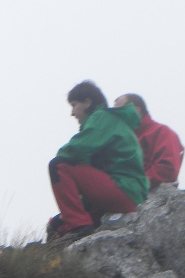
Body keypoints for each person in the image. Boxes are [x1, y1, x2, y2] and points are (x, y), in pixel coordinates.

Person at [48, 80, 149, 242]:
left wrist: (61, 155)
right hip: (130, 194)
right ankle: (72, 229)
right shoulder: (111, 121)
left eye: (74, 105)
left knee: (58, 165)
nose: (72, 113)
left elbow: (77, 148)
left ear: (87, 102)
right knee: (57, 223)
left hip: (123, 189)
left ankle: (79, 227)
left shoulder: (101, 118)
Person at [113, 93, 184, 189]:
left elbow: (167, 169)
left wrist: (132, 184)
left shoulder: (162, 132)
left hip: (152, 192)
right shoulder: (121, 140)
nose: (116, 117)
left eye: (119, 112)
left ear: (136, 111)